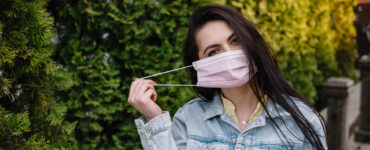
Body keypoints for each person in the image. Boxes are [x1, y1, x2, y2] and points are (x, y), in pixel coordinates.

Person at [128, 5, 327, 150]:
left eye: (235, 41)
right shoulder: (188, 119)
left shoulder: (303, 119)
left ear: (252, 42)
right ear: (199, 65)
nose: (228, 54)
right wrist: (153, 117)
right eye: (213, 52)